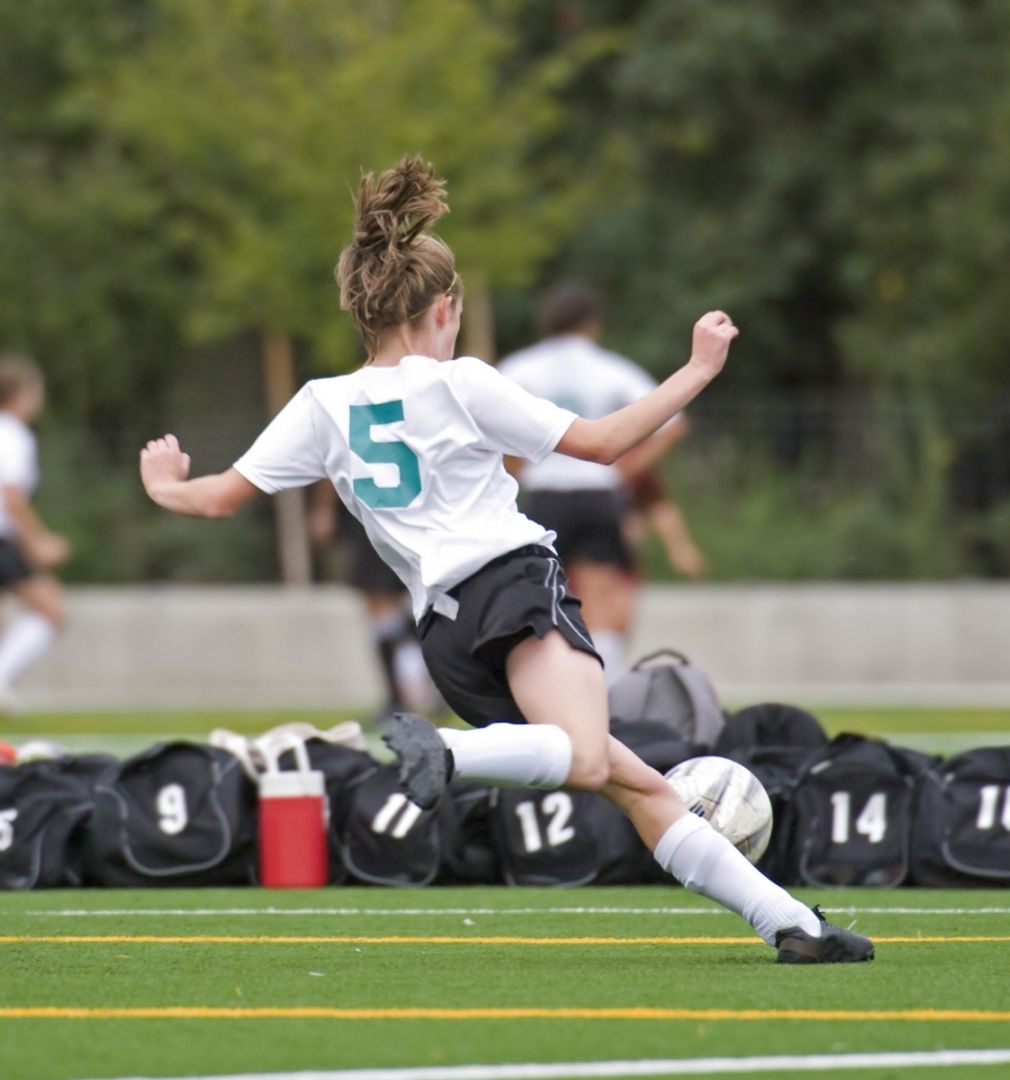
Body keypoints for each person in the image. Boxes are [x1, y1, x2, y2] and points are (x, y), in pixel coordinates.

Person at [138, 156, 873, 964]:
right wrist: (697, 369)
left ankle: (792, 925)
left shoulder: (322, 404)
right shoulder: (460, 383)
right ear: (443, 308)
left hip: (446, 634)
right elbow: (601, 444)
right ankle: (448, 752)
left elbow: (212, 498)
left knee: (636, 784)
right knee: (588, 755)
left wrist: (166, 483)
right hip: (513, 587)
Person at [498, 283, 688, 681]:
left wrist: (519, 467)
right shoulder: (610, 368)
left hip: (545, 495)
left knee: (540, 596)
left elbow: (484, 423)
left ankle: (546, 684)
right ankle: (606, 690)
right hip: (597, 495)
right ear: (592, 323)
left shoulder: (522, 367)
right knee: (602, 598)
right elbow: (673, 424)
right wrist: (624, 469)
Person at [308, 479, 439, 718]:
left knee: (382, 608)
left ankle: (408, 693)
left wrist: (323, 509)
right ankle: (422, 687)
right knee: (391, 609)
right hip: (409, 512)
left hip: (377, 511)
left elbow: (331, 458)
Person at [0, 356, 68, 714]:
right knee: (50, 610)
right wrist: (37, 541)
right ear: (22, 393)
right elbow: (11, 497)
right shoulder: (13, 435)